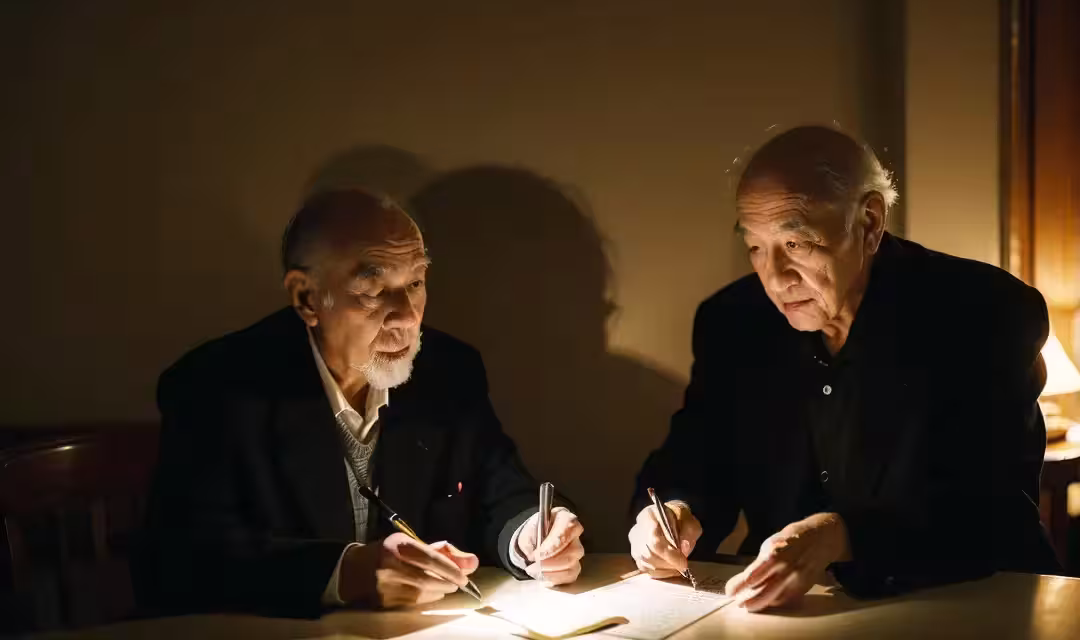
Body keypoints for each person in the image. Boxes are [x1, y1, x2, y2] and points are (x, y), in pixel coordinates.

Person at [629, 125, 1059, 612]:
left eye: (796, 243)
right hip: (795, 614)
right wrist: (671, 513)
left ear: (870, 222)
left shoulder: (984, 310)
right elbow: (693, 460)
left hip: (974, 604)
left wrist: (844, 535)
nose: (775, 278)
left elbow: (988, 510)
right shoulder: (733, 322)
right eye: (755, 247)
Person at [138, 189, 584, 618]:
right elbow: (178, 561)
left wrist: (531, 533)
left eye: (415, 283)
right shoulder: (217, 387)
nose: (406, 316)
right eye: (373, 289)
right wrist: (345, 573)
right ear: (306, 298)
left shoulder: (448, 370)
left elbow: (500, 490)